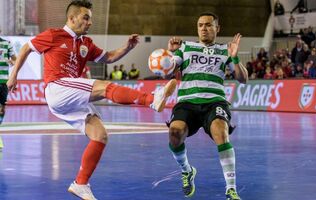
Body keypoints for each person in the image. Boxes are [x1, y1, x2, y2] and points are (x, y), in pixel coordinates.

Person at [6, 1, 177, 199]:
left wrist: (128, 48)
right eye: (85, 18)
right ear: (71, 18)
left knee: (100, 135)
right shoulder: (54, 35)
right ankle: (152, 99)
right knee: (105, 87)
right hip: (58, 88)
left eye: (90, 19)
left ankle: (81, 183)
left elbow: (109, 58)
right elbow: (27, 47)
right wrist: (13, 75)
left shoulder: (86, 43)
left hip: (71, 99)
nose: (89, 23)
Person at [166, 12, 248, 200]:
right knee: (175, 134)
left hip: (215, 102)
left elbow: (243, 79)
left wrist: (234, 58)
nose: (204, 28)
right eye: (200, 25)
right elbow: (168, 71)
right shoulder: (185, 47)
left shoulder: (225, 50)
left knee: (221, 132)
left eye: (208, 25)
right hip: (187, 103)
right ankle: (187, 171)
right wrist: (170, 54)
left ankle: (231, 189)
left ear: (217, 28)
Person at [0, 34, 17, 149]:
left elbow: (15, 61)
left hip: (3, 82)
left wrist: (11, 62)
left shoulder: (7, 44)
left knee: (2, 110)